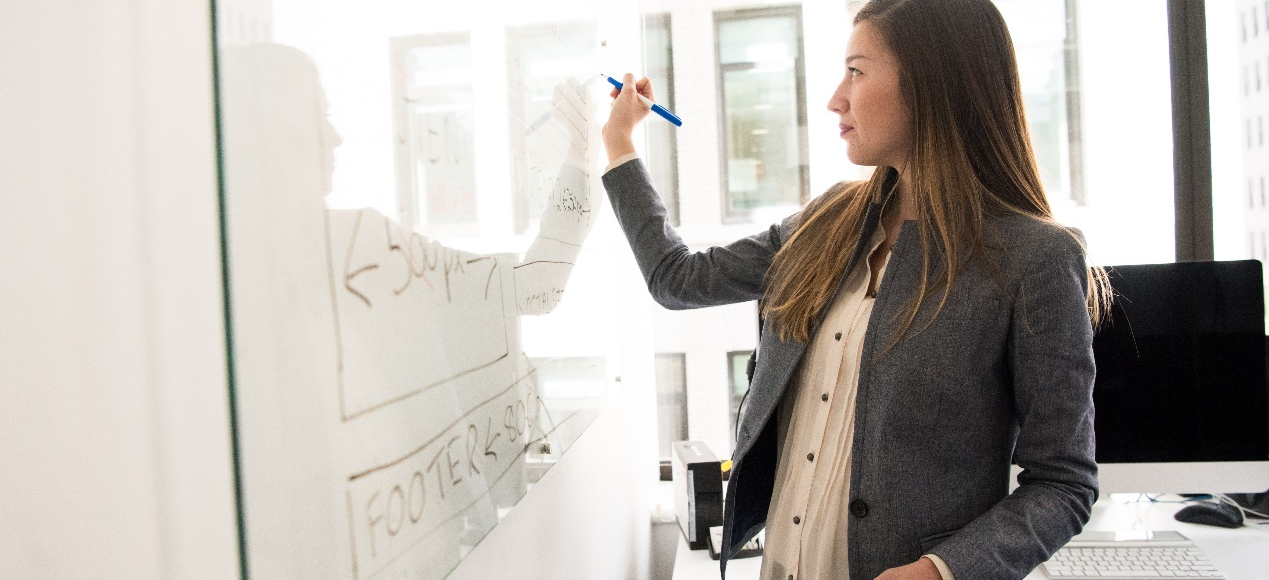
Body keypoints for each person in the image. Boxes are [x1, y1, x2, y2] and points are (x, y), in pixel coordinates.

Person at [600, 1, 1111, 579]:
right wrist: (620, 143)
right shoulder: (827, 223)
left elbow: (1063, 483)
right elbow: (677, 279)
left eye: (857, 71)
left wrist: (941, 571)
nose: (835, 98)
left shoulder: (1034, 260)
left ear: (932, 84)